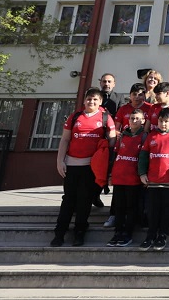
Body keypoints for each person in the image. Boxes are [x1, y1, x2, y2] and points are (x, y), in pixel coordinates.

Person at [50, 88, 116, 247]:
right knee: (68, 200)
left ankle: (79, 232)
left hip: (91, 167)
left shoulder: (106, 117)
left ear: (100, 102)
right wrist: (60, 161)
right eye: (89, 99)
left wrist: (104, 161)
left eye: (95, 99)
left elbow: (112, 141)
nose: (91, 102)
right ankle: (59, 233)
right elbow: (65, 140)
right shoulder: (75, 116)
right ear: (84, 100)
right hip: (72, 165)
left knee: (84, 200)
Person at [137, 107, 169, 251]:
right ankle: (150, 235)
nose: (163, 124)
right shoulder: (152, 136)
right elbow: (143, 155)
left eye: (166, 121)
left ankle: (163, 235)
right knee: (152, 209)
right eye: (161, 121)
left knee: (166, 209)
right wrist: (142, 173)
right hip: (153, 180)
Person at [107, 109, 146, 247]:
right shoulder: (123, 135)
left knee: (131, 207)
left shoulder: (144, 137)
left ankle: (127, 234)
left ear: (143, 121)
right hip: (119, 177)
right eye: (132, 118)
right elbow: (116, 155)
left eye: (137, 119)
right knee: (119, 207)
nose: (134, 121)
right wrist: (111, 175)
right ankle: (117, 232)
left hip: (133, 179)